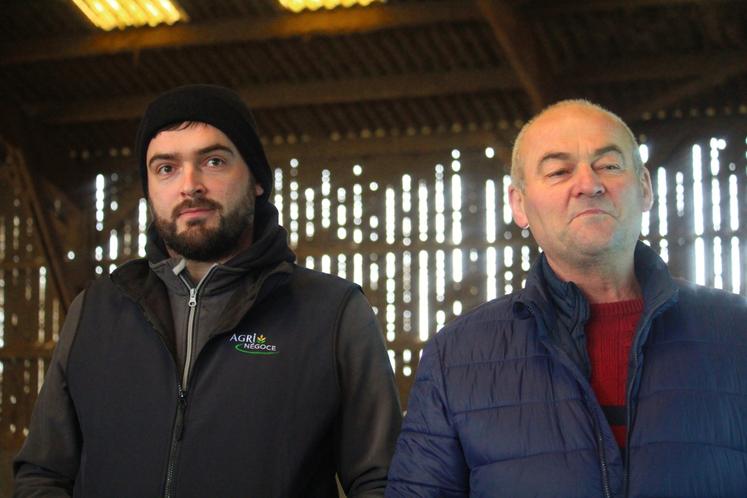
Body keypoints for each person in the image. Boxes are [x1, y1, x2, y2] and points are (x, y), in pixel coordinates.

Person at [14, 84, 402, 498]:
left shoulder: (332, 313)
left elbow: (382, 483)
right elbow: (43, 473)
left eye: (213, 161)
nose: (190, 185)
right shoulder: (95, 311)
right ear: (149, 188)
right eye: (166, 168)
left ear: (255, 179)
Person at [386, 100, 747, 497]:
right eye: (559, 171)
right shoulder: (456, 355)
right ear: (519, 205)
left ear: (644, 188)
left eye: (609, 166)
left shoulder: (735, 331)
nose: (589, 184)